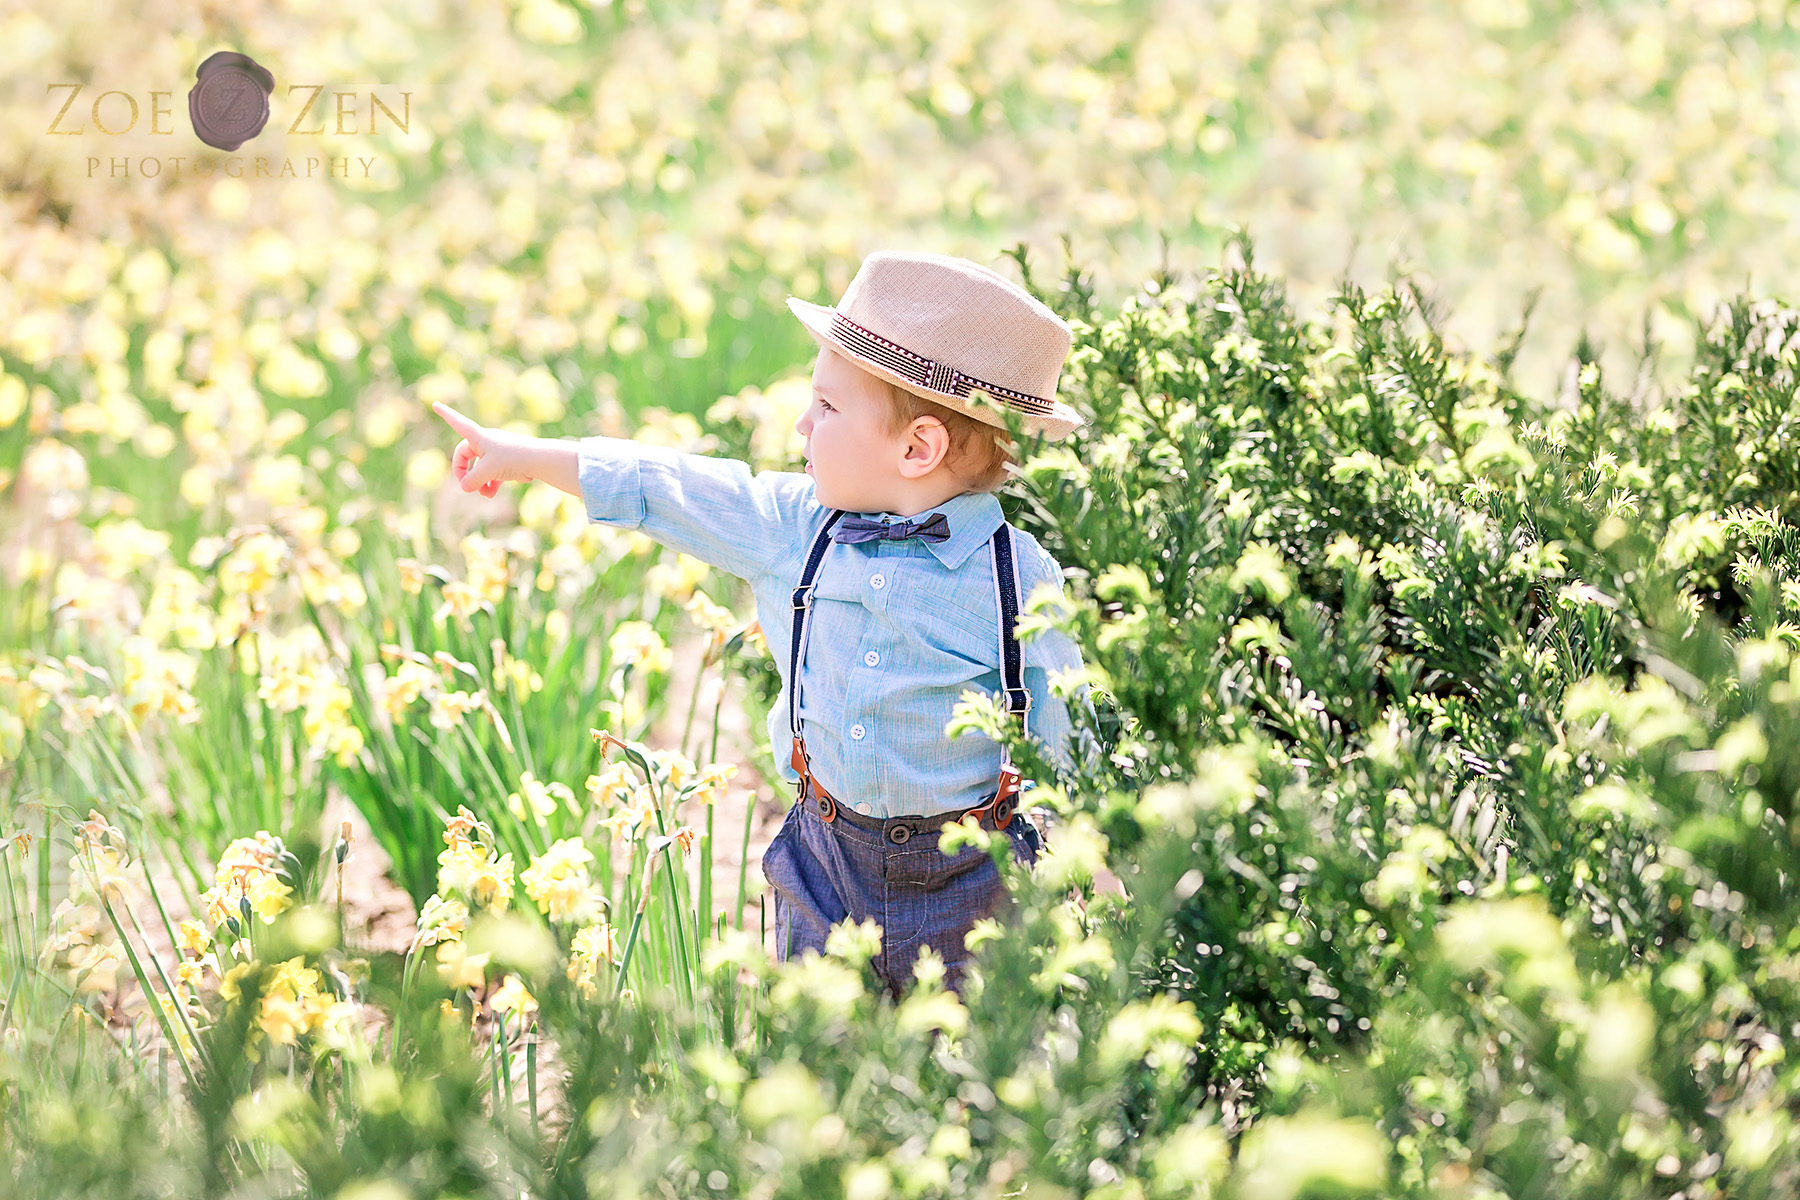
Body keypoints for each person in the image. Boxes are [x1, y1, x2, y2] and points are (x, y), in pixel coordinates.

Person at [433, 249, 1095, 999]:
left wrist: (1095, 860)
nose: (800, 424)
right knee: (822, 1056)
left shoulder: (1017, 575)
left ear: (918, 449)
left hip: (972, 882)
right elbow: (673, 486)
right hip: (826, 864)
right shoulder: (791, 525)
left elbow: (1068, 729)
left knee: (976, 1072)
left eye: (828, 407)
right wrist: (521, 456)